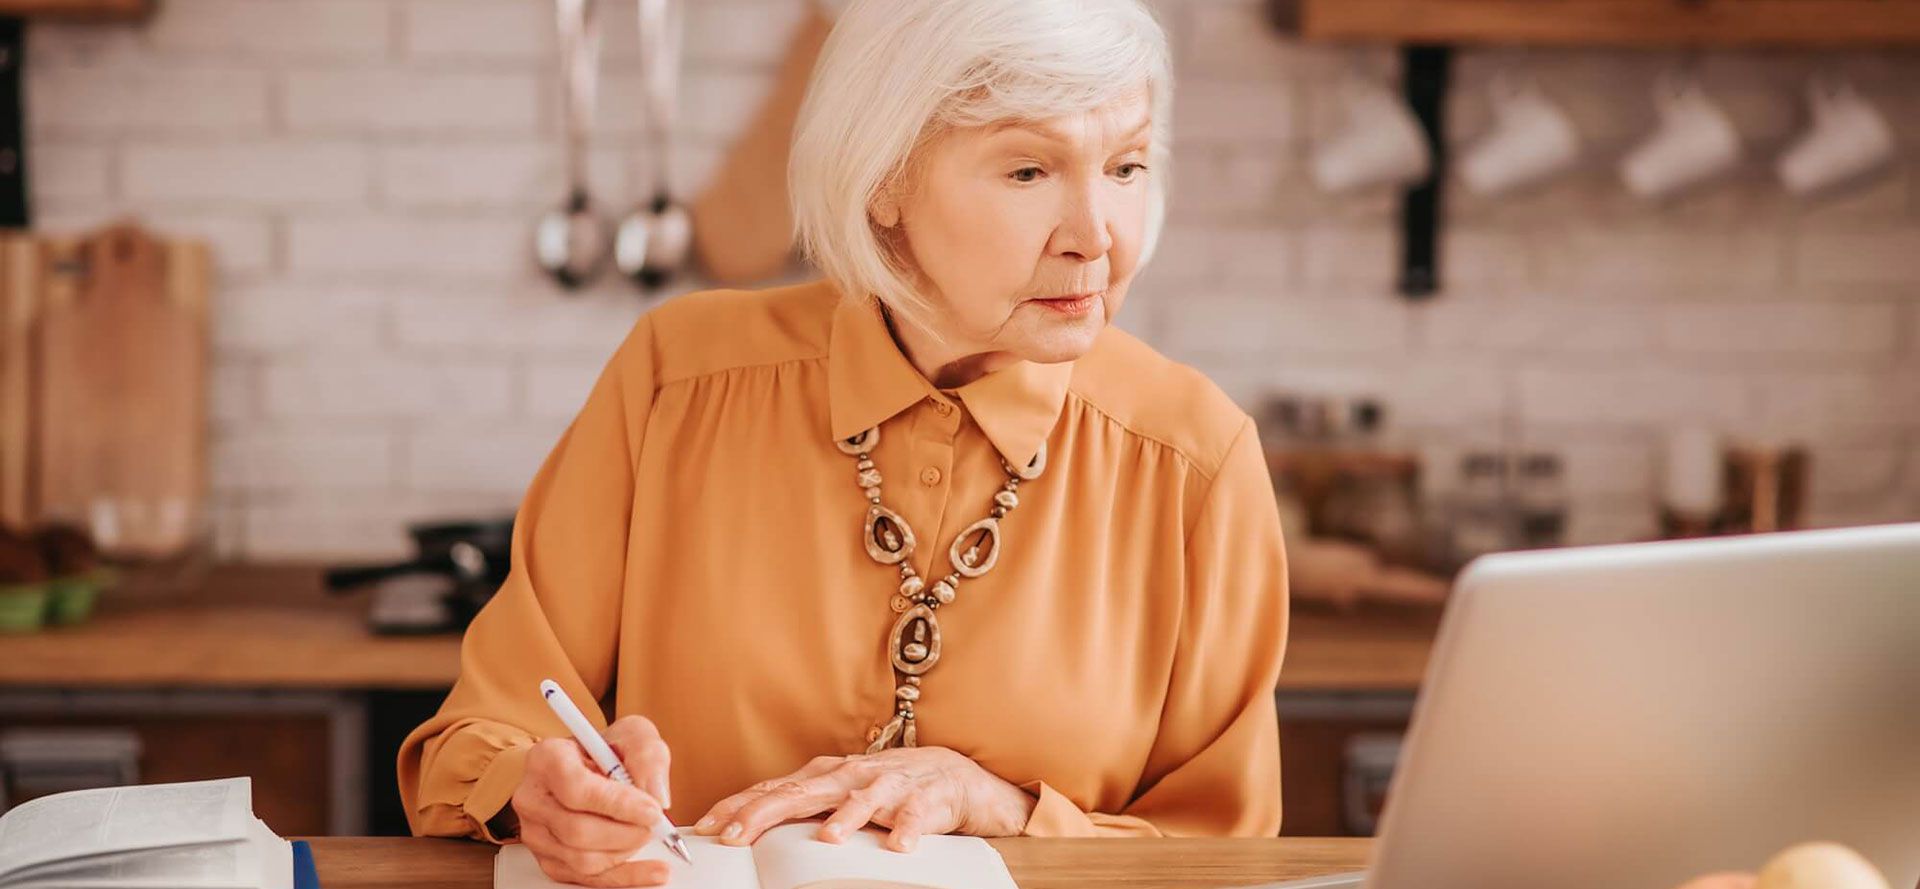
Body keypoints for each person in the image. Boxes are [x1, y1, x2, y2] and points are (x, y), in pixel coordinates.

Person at [396, 1, 1290, 885]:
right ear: (883, 178)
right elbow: (478, 739)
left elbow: (1229, 860)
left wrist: (1005, 807)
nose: (1097, 237)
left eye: (1126, 166)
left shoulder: (1195, 458)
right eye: (1028, 172)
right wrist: (535, 796)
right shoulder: (676, 378)